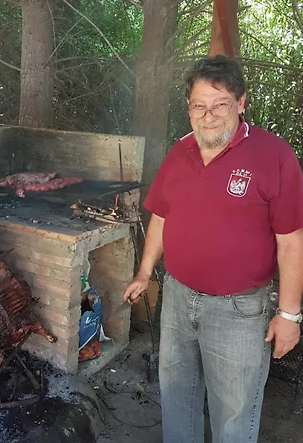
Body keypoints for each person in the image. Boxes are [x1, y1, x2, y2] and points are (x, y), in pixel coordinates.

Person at [123, 55, 303, 443]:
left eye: (220, 105)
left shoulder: (274, 156)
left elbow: (291, 241)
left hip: (239, 310)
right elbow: (162, 217)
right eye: (198, 106)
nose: (208, 117)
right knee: (177, 396)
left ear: (241, 102)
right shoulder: (180, 152)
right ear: (188, 108)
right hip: (177, 298)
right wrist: (143, 272)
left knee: (234, 413)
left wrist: (289, 314)